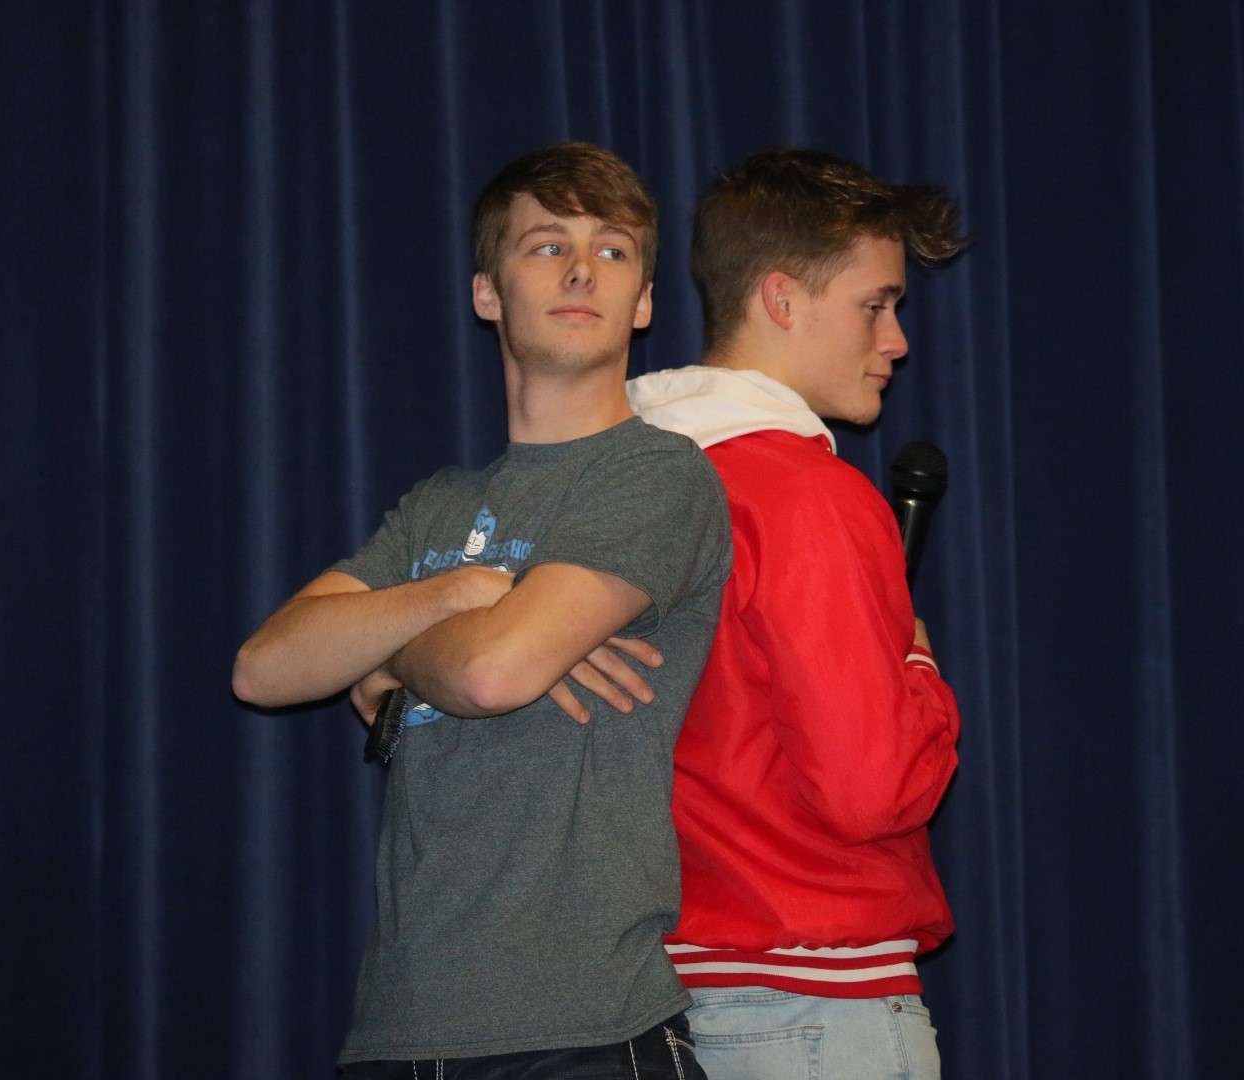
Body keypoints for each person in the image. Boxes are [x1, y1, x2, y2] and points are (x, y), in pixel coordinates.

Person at [233, 142, 729, 1078]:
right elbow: (264, 668)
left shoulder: (659, 474)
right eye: (547, 246)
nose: (582, 270)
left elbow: (493, 674)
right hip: (401, 1027)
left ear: (645, 302)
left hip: (583, 1030)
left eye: (613, 250)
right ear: (487, 293)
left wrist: (389, 656)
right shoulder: (438, 506)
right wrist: (458, 595)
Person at [626, 146, 965, 1079]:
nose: (897, 341)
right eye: (875, 305)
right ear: (781, 298)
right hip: (815, 1003)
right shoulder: (808, 494)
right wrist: (918, 669)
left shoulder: (622, 484)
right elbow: (868, 788)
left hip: (667, 996)